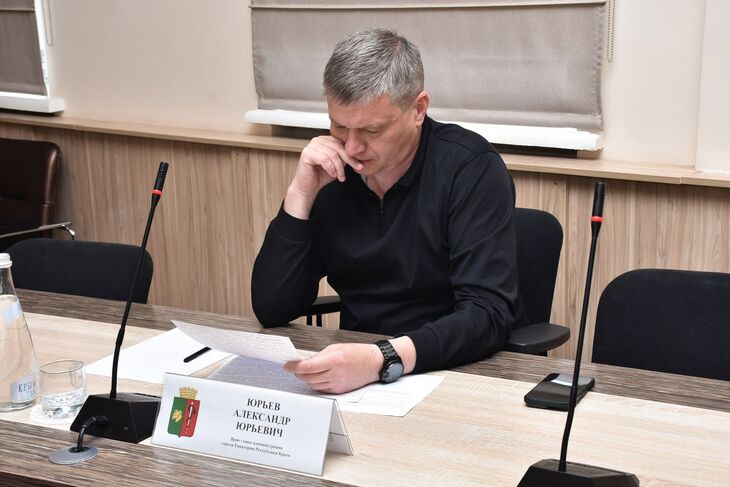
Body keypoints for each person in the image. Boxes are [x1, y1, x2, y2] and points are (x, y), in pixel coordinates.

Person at [251, 28, 526, 394]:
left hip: (454, 371)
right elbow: (271, 308)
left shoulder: (470, 168)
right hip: (357, 376)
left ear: (418, 109)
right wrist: (300, 194)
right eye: (339, 125)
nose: (352, 146)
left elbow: (487, 314)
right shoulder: (332, 173)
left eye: (372, 130)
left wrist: (383, 358)